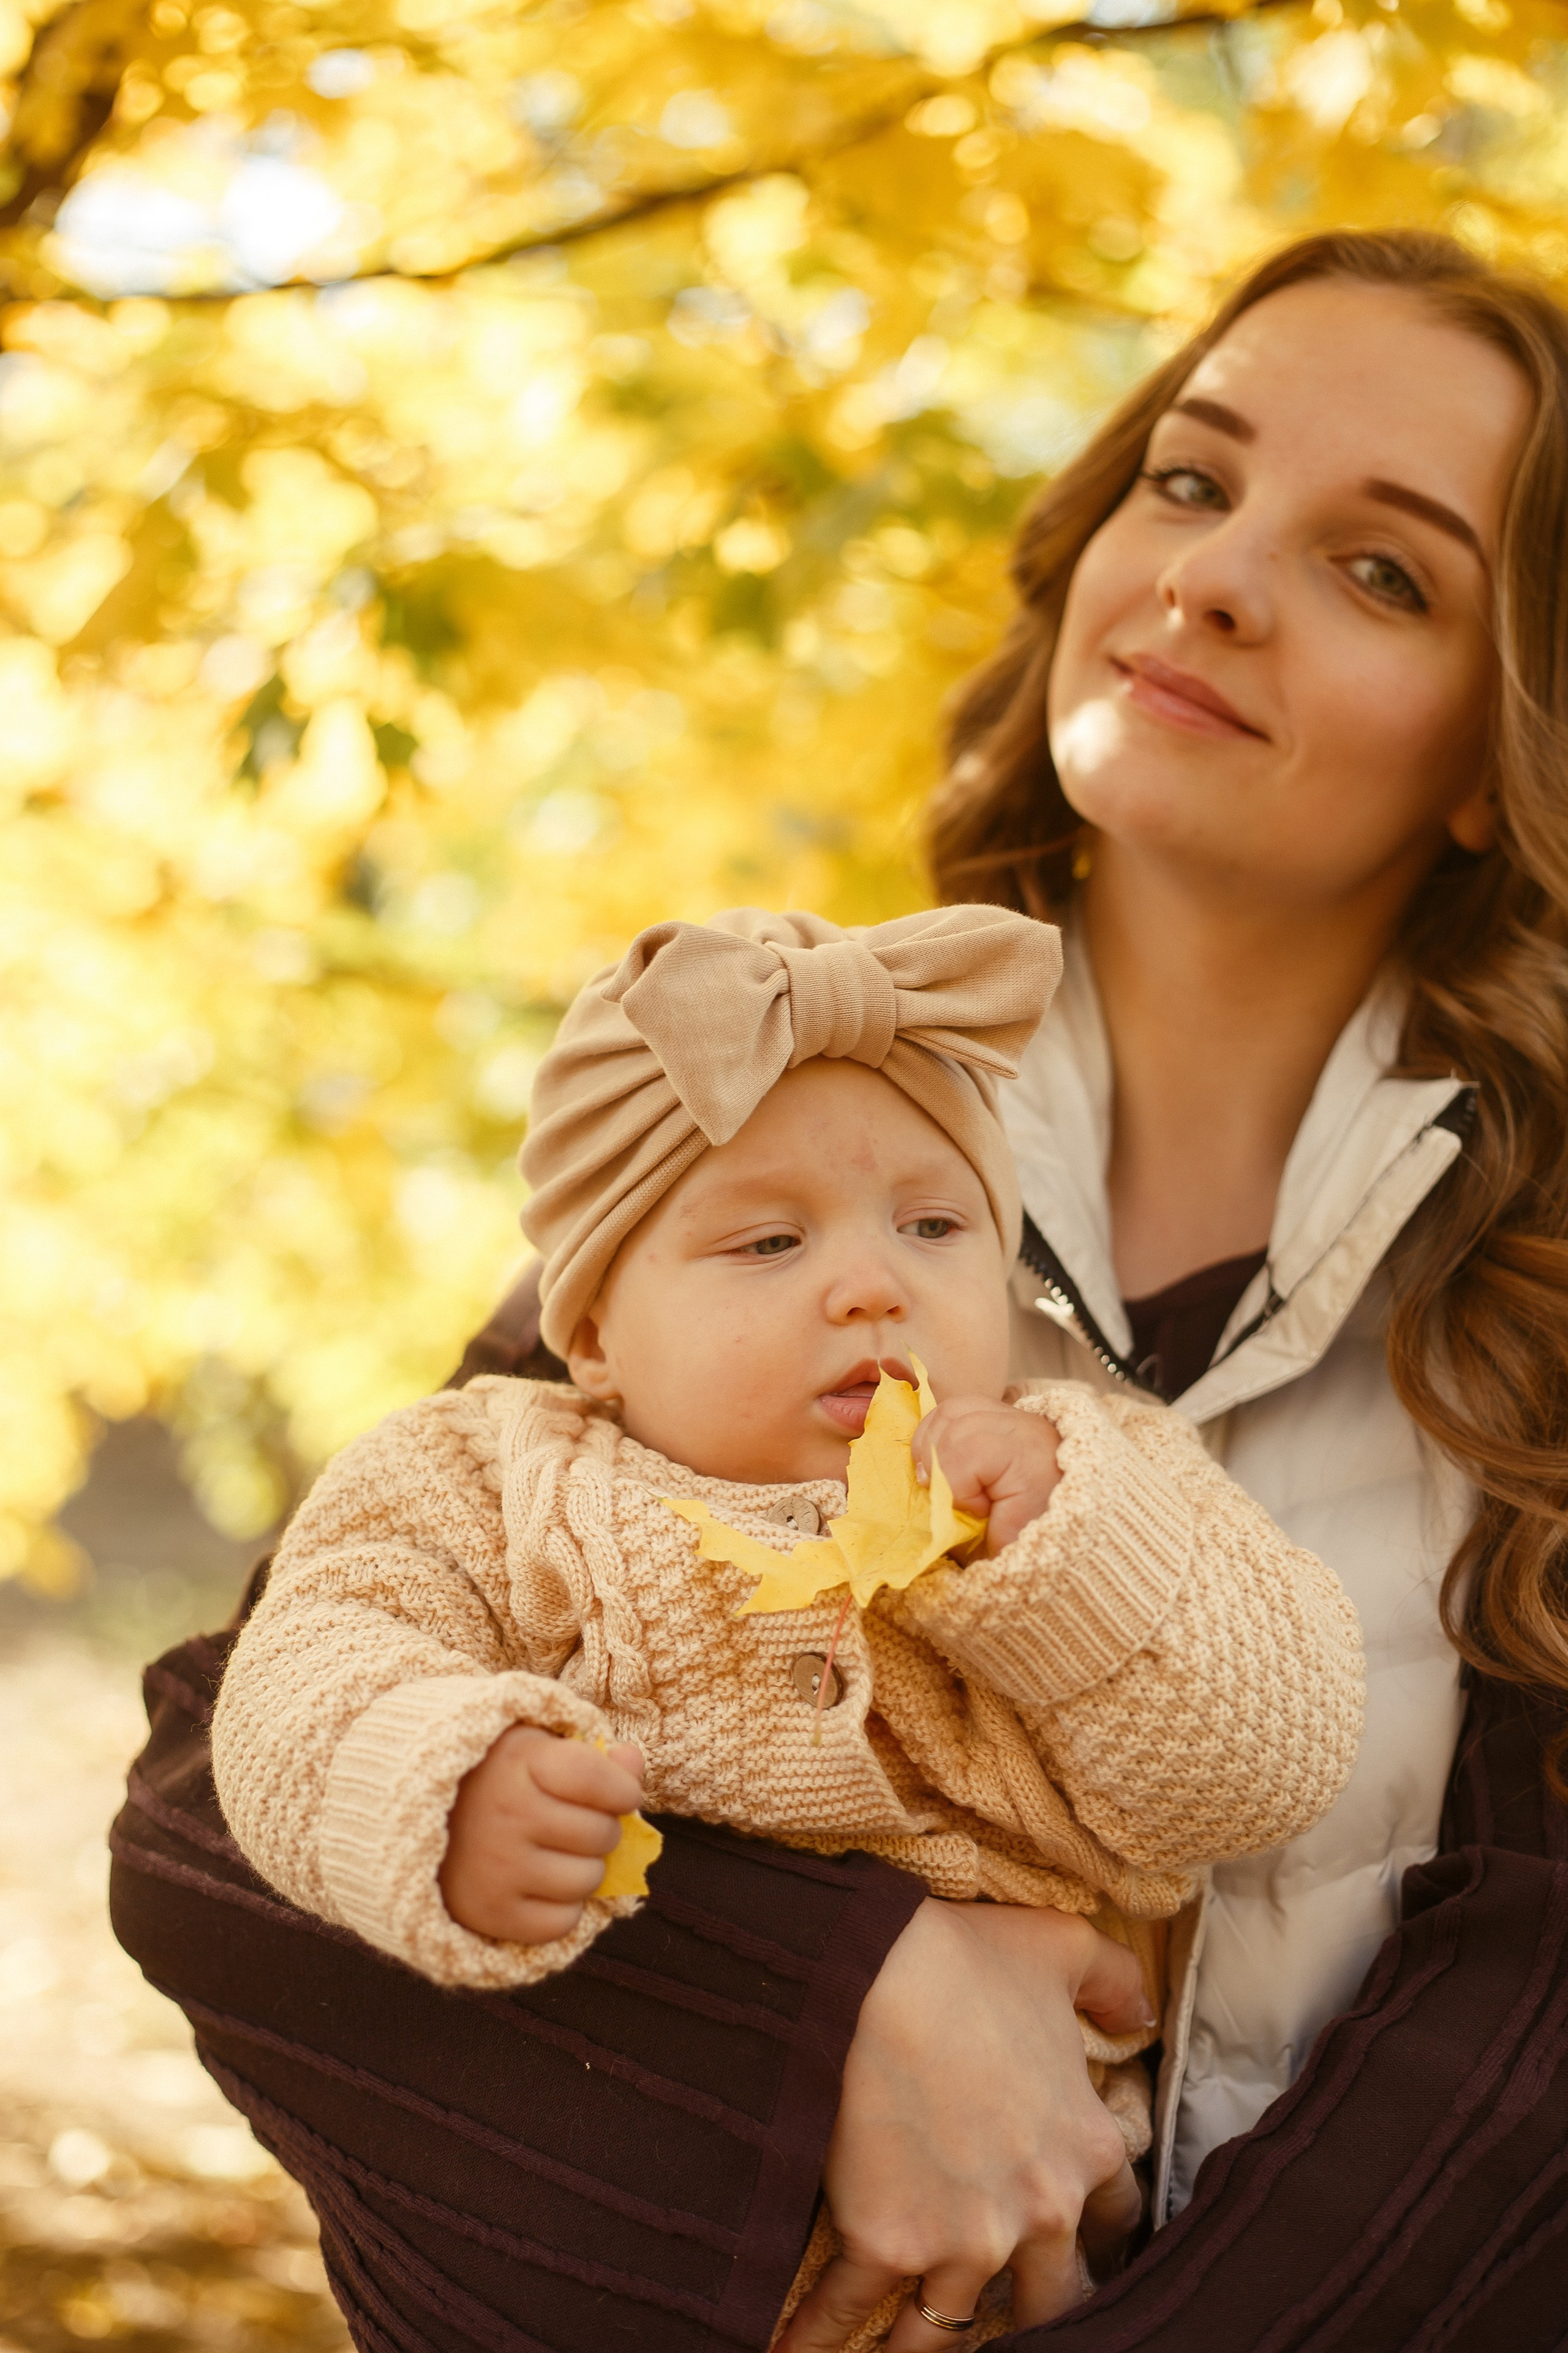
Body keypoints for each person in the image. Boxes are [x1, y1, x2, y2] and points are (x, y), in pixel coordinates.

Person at [110, 226, 1568, 2353]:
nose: (1221, 577)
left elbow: (1524, 2051)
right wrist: (836, 2000)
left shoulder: (1526, 1328)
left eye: (1384, 571)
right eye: (1192, 478)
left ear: (1492, 744)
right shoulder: (772, 1149)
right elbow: (224, 1806)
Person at [206, 902, 1362, 2350]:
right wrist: (435, 1786)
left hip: (1012, 2272)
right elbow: (296, 1680)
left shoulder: (1082, 1485)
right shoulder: (477, 1477)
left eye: (935, 1226)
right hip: (600, 2240)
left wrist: (1069, 1567)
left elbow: (1268, 1766)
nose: (873, 1279)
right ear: (595, 1330)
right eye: (765, 1239)